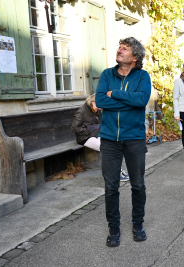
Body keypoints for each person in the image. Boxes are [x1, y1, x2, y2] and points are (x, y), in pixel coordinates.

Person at [95, 37, 151, 247]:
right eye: (119, 47)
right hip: (109, 138)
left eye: (125, 48)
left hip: (134, 137)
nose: (119, 50)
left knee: (137, 184)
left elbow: (142, 100)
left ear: (135, 57)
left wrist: (116, 94)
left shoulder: (142, 76)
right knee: (111, 187)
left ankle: (138, 223)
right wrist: (128, 99)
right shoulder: (107, 74)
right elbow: (100, 100)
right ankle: (114, 227)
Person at [71, 94, 129, 181]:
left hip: (95, 135)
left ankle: (118, 171)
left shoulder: (95, 110)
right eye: (98, 105)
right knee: (107, 149)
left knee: (113, 145)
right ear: (92, 102)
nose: (99, 108)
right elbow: (74, 127)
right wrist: (87, 132)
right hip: (84, 138)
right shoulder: (82, 111)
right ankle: (116, 173)